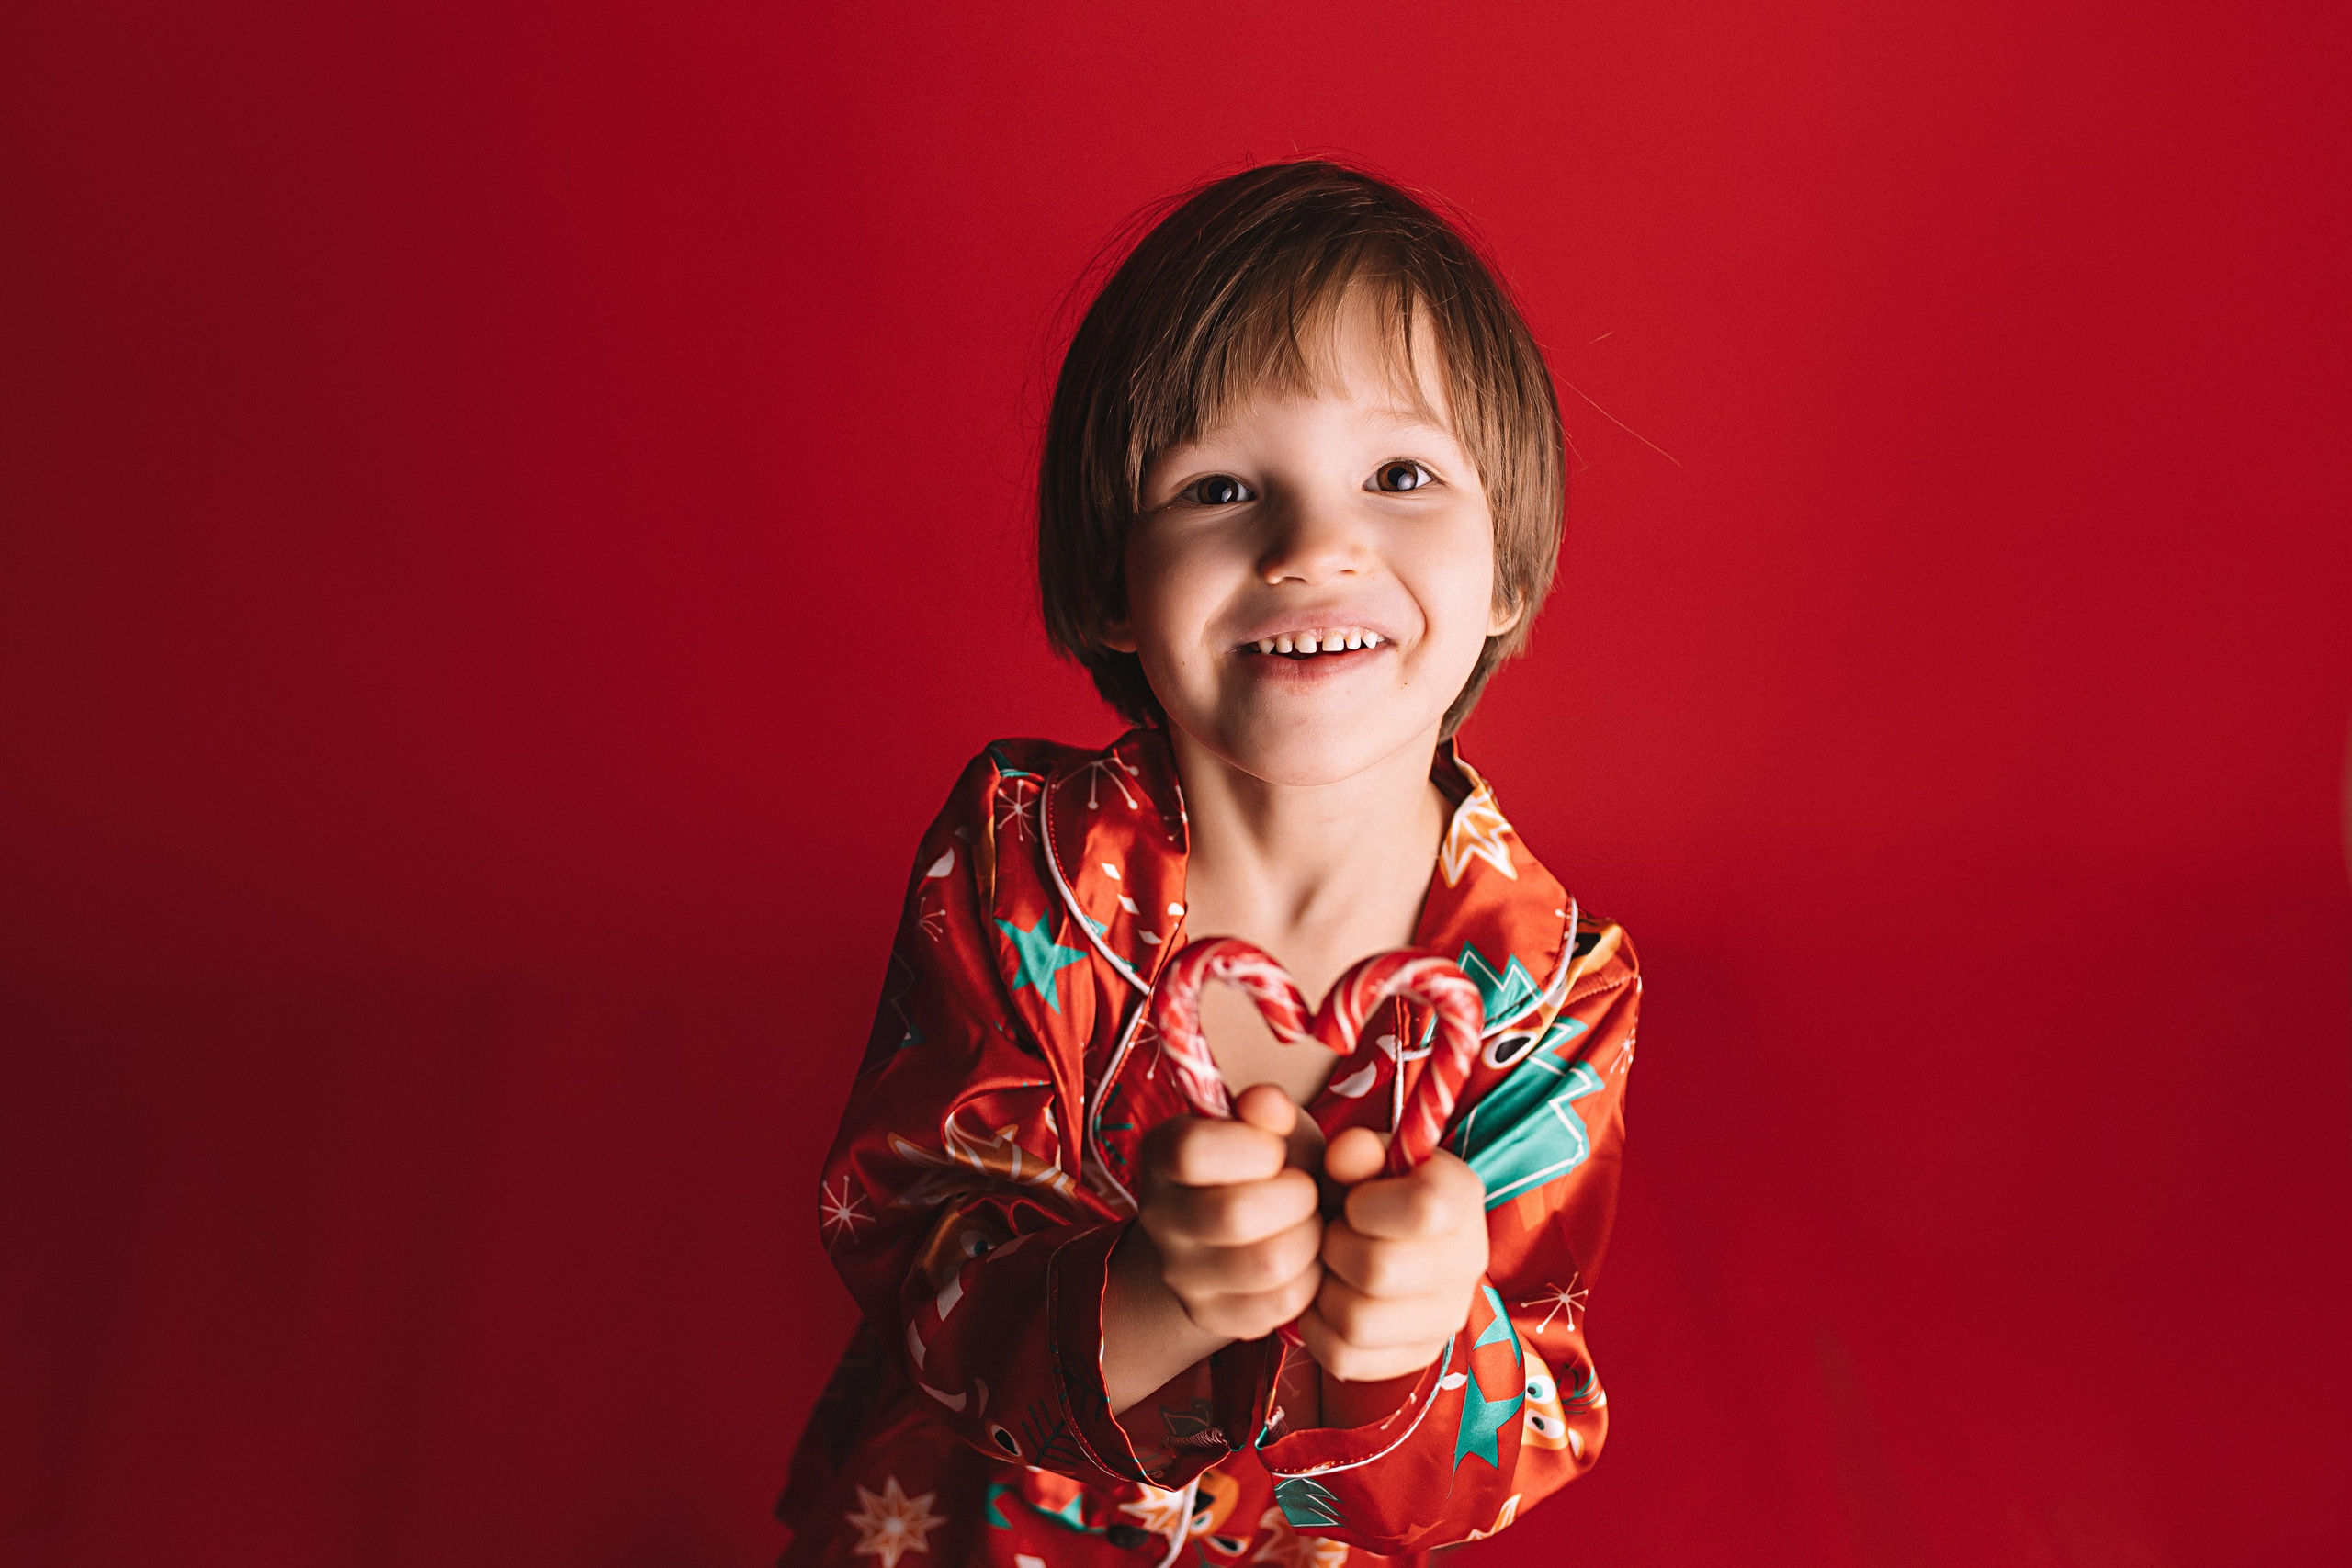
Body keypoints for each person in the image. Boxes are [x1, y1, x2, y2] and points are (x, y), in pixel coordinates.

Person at [777, 161, 1642, 1567]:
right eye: (1223, 485)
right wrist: (1155, 1296)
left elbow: (1525, 1429)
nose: (1314, 546)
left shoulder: (1552, 994)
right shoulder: (1016, 865)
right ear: (1114, 580)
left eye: (1402, 474)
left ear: (1508, 571)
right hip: (961, 1533)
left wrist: (1420, 1339)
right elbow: (894, 1227)